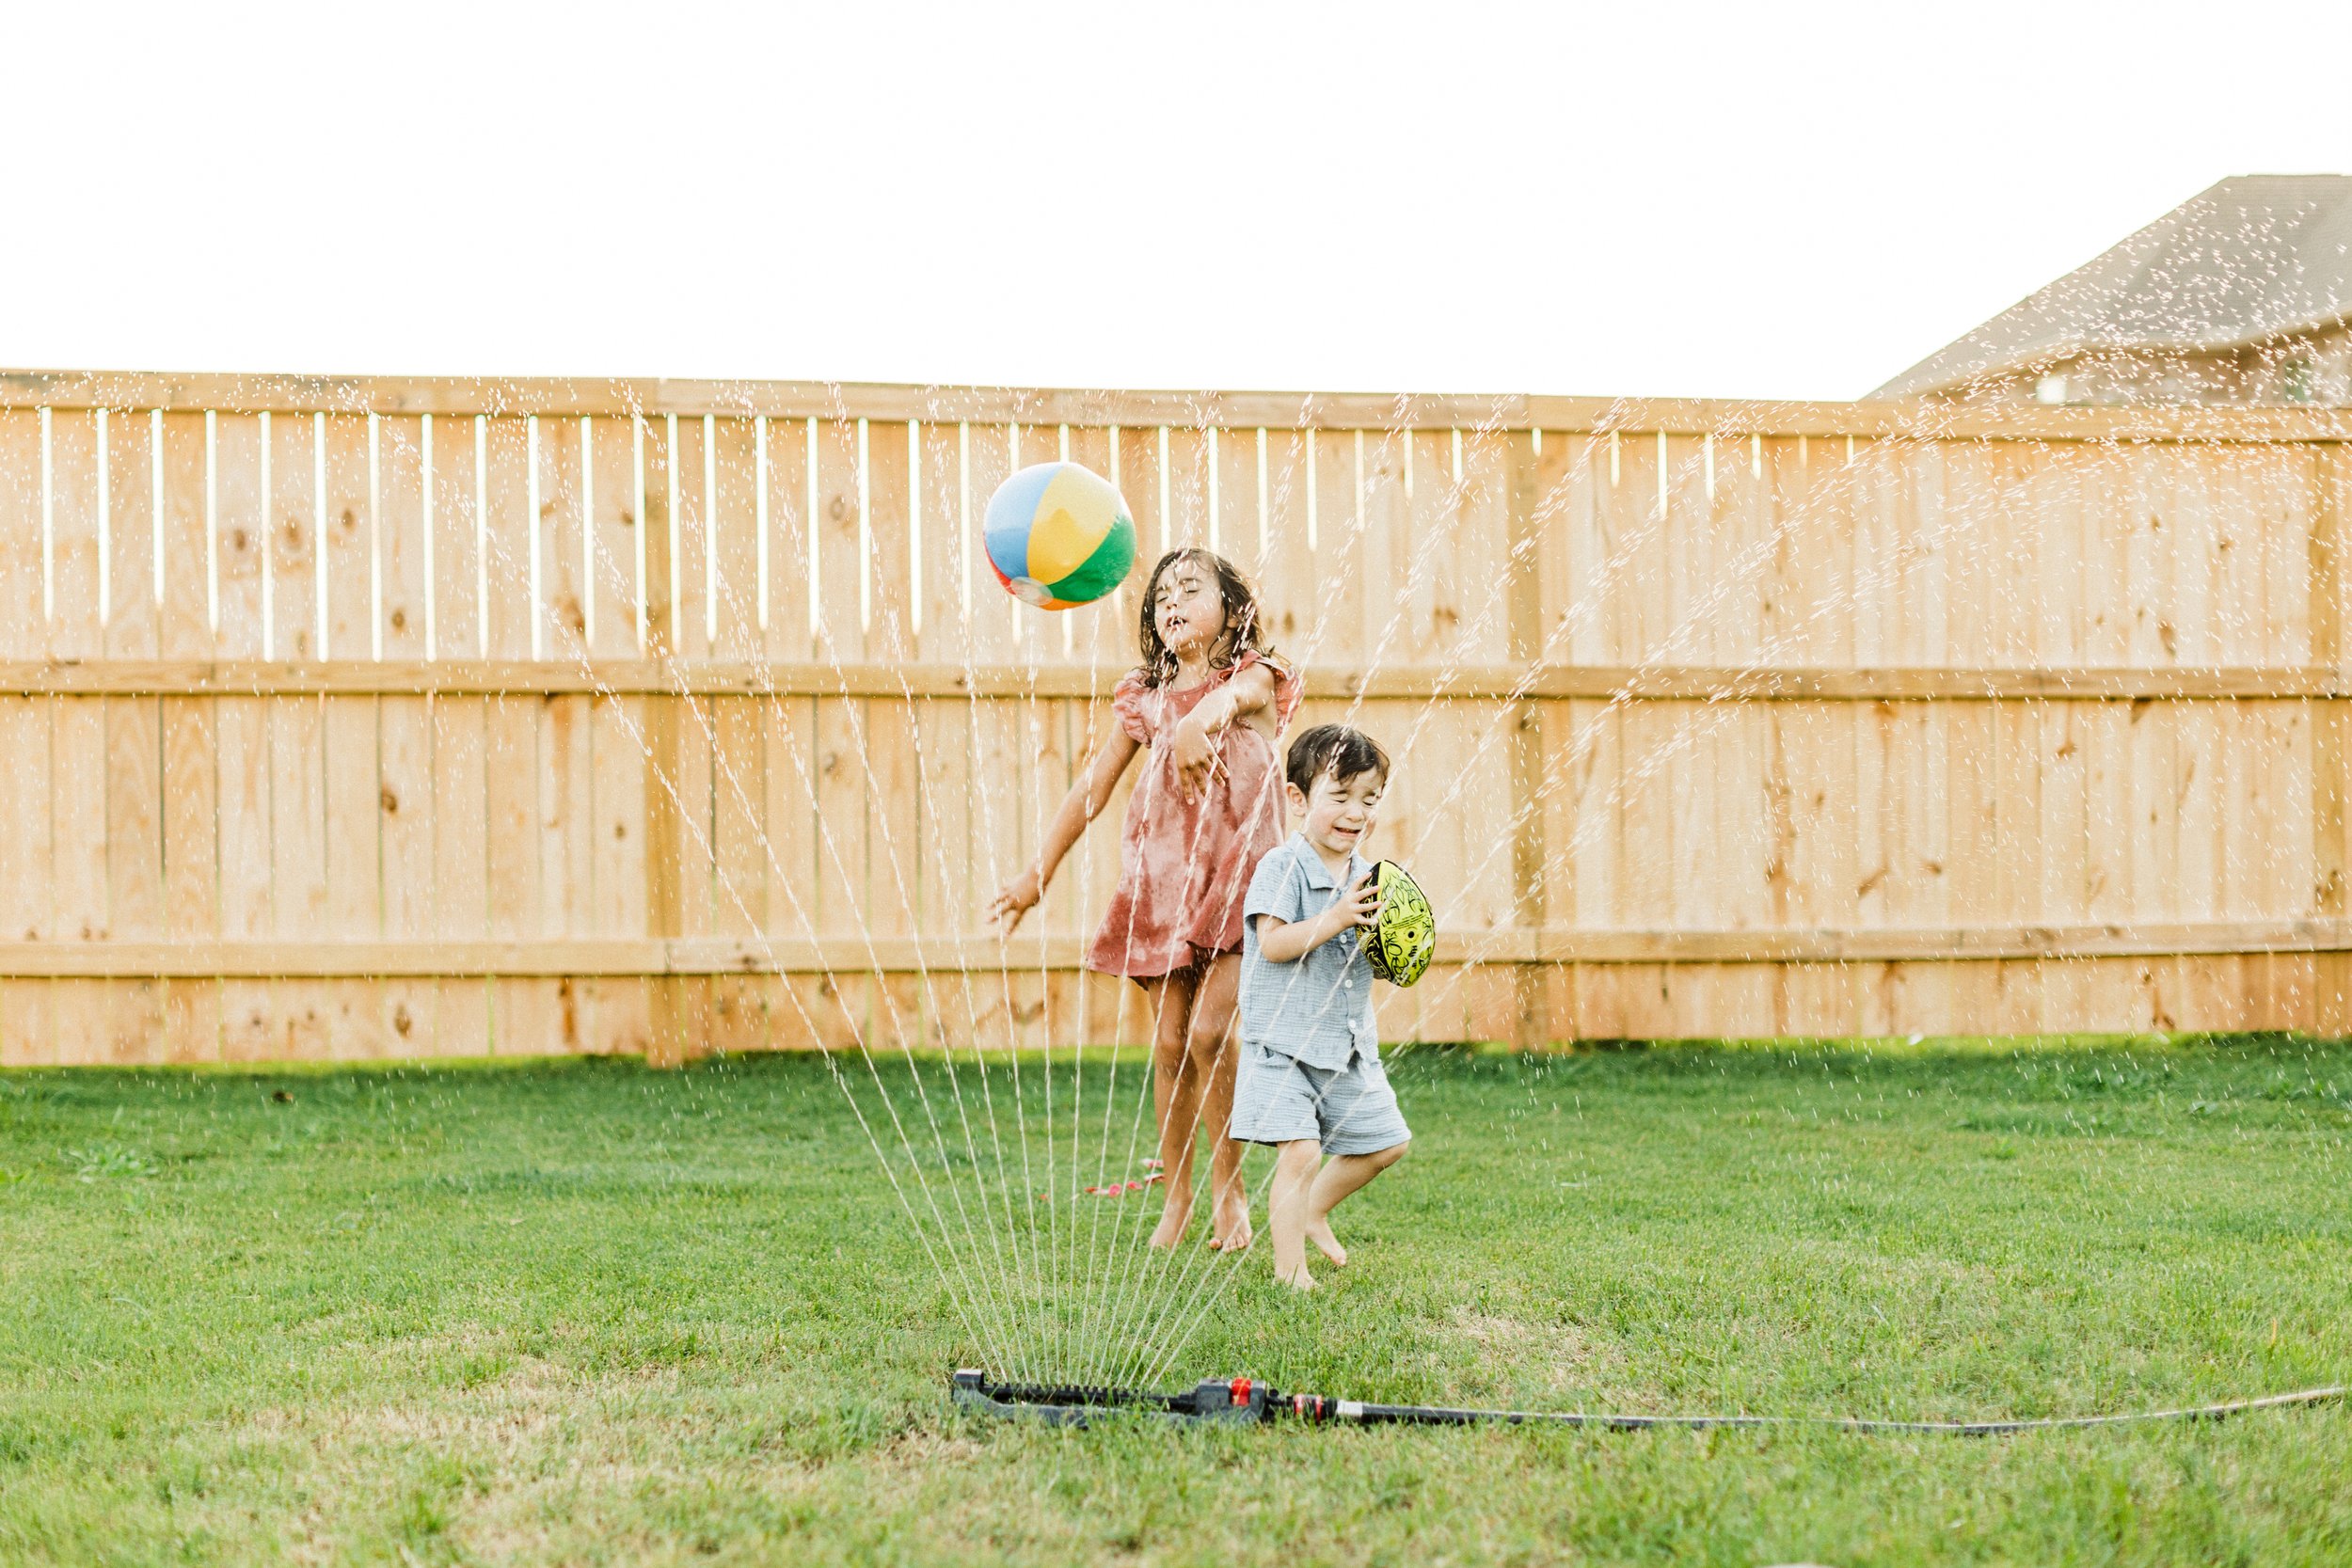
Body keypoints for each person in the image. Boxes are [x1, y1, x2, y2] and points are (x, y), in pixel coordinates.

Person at [988, 548, 1301, 1251]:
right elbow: (1092, 788)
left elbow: (1237, 702)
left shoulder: (1252, 677)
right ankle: (1178, 1196)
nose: (1172, 600)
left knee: (1211, 1034)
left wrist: (1203, 720)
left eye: (1192, 587)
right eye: (1161, 593)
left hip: (1239, 880)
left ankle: (1231, 1190)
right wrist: (1035, 877)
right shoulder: (1146, 699)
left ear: (1232, 609)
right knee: (1167, 1044)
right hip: (1163, 885)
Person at [1230, 723, 1412, 1291]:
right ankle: (1291, 1275)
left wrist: (1398, 950)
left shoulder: (1369, 877)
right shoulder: (1281, 867)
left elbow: (1371, 955)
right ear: (1296, 798)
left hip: (1347, 1044)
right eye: (1340, 796)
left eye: (1369, 799)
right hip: (1282, 1046)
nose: (1355, 812)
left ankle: (1312, 1211)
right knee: (1302, 1151)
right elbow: (1274, 943)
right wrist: (1334, 918)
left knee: (1388, 1144)